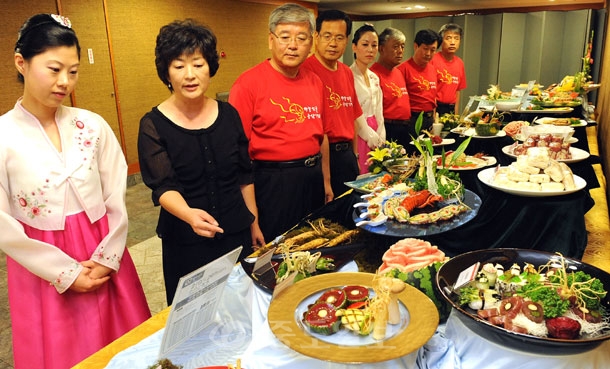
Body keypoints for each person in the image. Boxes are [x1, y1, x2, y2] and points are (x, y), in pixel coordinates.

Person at [0, 14, 151, 369]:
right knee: (62, 351)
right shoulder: (4, 134)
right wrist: (62, 272)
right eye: (53, 69)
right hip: (41, 260)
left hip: (102, 248)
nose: (64, 81)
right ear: (21, 62)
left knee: (125, 345)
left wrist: (107, 255)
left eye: (73, 71)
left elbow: (116, 192)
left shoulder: (91, 124)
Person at [138, 19, 264, 305]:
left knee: (240, 305)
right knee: (194, 314)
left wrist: (253, 222)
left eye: (197, 63)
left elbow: (245, 175)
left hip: (236, 230)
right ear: (166, 72)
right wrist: (189, 215)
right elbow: (163, 186)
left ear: (210, 67)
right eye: (179, 66)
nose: (189, 74)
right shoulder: (153, 125)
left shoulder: (229, 114)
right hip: (186, 238)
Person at [229, 3, 330, 243]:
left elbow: (322, 136)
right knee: (276, 256)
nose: (293, 45)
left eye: (301, 38)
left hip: (312, 177)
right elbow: (236, 156)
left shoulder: (315, 82)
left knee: (314, 248)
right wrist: (250, 217)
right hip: (272, 183)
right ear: (271, 40)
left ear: (310, 43)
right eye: (285, 37)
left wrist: (325, 181)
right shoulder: (247, 84)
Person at [301, 9, 364, 195]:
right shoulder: (305, 71)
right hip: (320, 158)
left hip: (346, 157)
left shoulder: (346, 72)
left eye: (339, 37)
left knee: (350, 212)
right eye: (327, 36)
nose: (333, 43)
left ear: (347, 40)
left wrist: (355, 156)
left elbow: (352, 118)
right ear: (316, 37)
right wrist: (326, 178)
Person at [350, 24, 385, 173]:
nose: (370, 50)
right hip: (358, 130)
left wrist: (381, 132)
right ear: (354, 47)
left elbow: (379, 108)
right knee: (363, 174)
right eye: (365, 44)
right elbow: (353, 110)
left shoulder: (374, 77)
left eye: (374, 45)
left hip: (376, 128)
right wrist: (367, 133)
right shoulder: (348, 75)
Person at [370, 27, 412, 148]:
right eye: (395, 47)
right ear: (382, 49)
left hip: (404, 128)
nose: (400, 51)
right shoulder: (373, 75)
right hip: (388, 129)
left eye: (402, 46)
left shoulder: (398, 72)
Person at [398, 28, 440, 131]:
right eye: (425, 48)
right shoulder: (402, 70)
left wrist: (434, 119)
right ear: (416, 46)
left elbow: (432, 96)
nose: (429, 53)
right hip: (411, 120)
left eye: (433, 50)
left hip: (429, 119)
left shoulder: (432, 69)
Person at [433, 23, 466, 116]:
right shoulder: (433, 60)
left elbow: (457, 91)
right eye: (448, 38)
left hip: (451, 108)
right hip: (436, 107)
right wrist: (433, 115)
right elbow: (430, 91)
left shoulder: (460, 63)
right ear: (441, 41)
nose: (452, 42)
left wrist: (456, 115)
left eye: (456, 38)